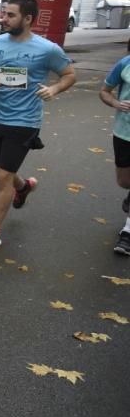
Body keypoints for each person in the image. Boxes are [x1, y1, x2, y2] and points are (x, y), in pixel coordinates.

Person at [0, 0, 76, 252]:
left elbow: (69, 75)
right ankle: (24, 186)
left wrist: (55, 89)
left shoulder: (47, 49)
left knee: (3, 175)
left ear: (28, 19)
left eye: (10, 15)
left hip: (26, 121)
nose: (4, 19)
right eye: (4, 13)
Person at [100, 42, 130, 256]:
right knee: (125, 181)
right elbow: (105, 91)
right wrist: (116, 104)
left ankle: (127, 232)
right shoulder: (125, 64)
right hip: (124, 133)